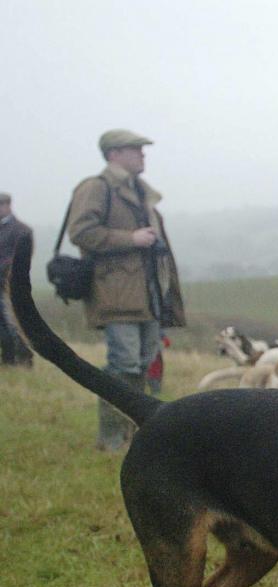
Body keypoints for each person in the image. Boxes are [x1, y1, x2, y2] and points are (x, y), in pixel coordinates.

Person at [66, 129, 185, 451]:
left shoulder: (141, 192)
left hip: (147, 295)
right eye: (135, 149)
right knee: (123, 367)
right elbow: (81, 232)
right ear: (114, 153)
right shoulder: (97, 187)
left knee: (145, 366)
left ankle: (139, 437)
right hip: (117, 293)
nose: (142, 155)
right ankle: (112, 439)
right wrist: (129, 238)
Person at [0, 192, 34, 366]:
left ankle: (24, 359)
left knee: (15, 324)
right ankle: (8, 360)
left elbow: (18, 259)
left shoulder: (22, 230)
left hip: (11, 286)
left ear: (7, 205)